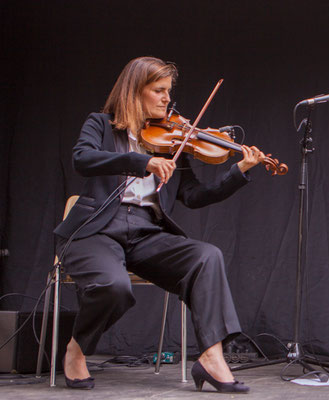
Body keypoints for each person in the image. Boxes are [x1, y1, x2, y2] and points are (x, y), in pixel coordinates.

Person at [53, 56, 265, 392]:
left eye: (169, 91)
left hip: (145, 232)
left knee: (206, 256)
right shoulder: (101, 125)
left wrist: (237, 173)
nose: (167, 98)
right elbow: (83, 159)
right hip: (95, 230)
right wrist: (143, 161)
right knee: (114, 287)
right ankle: (77, 349)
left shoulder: (173, 143)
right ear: (135, 91)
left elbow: (194, 196)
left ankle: (211, 356)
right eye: (159, 90)